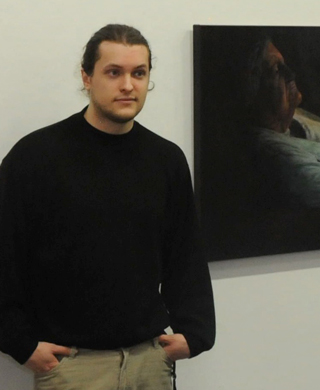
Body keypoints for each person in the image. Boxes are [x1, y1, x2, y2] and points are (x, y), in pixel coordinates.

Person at [0, 24, 215, 390]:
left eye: (139, 73)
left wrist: (195, 332)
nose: (128, 85)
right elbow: (3, 254)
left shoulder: (166, 160)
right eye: (114, 72)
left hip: (150, 361)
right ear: (87, 76)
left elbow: (185, 255)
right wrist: (20, 343)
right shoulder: (35, 157)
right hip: (71, 365)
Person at [240, 36, 320, 207]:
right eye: (276, 70)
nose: (290, 74)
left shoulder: (292, 116)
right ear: (253, 91)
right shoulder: (280, 157)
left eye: (284, 64)